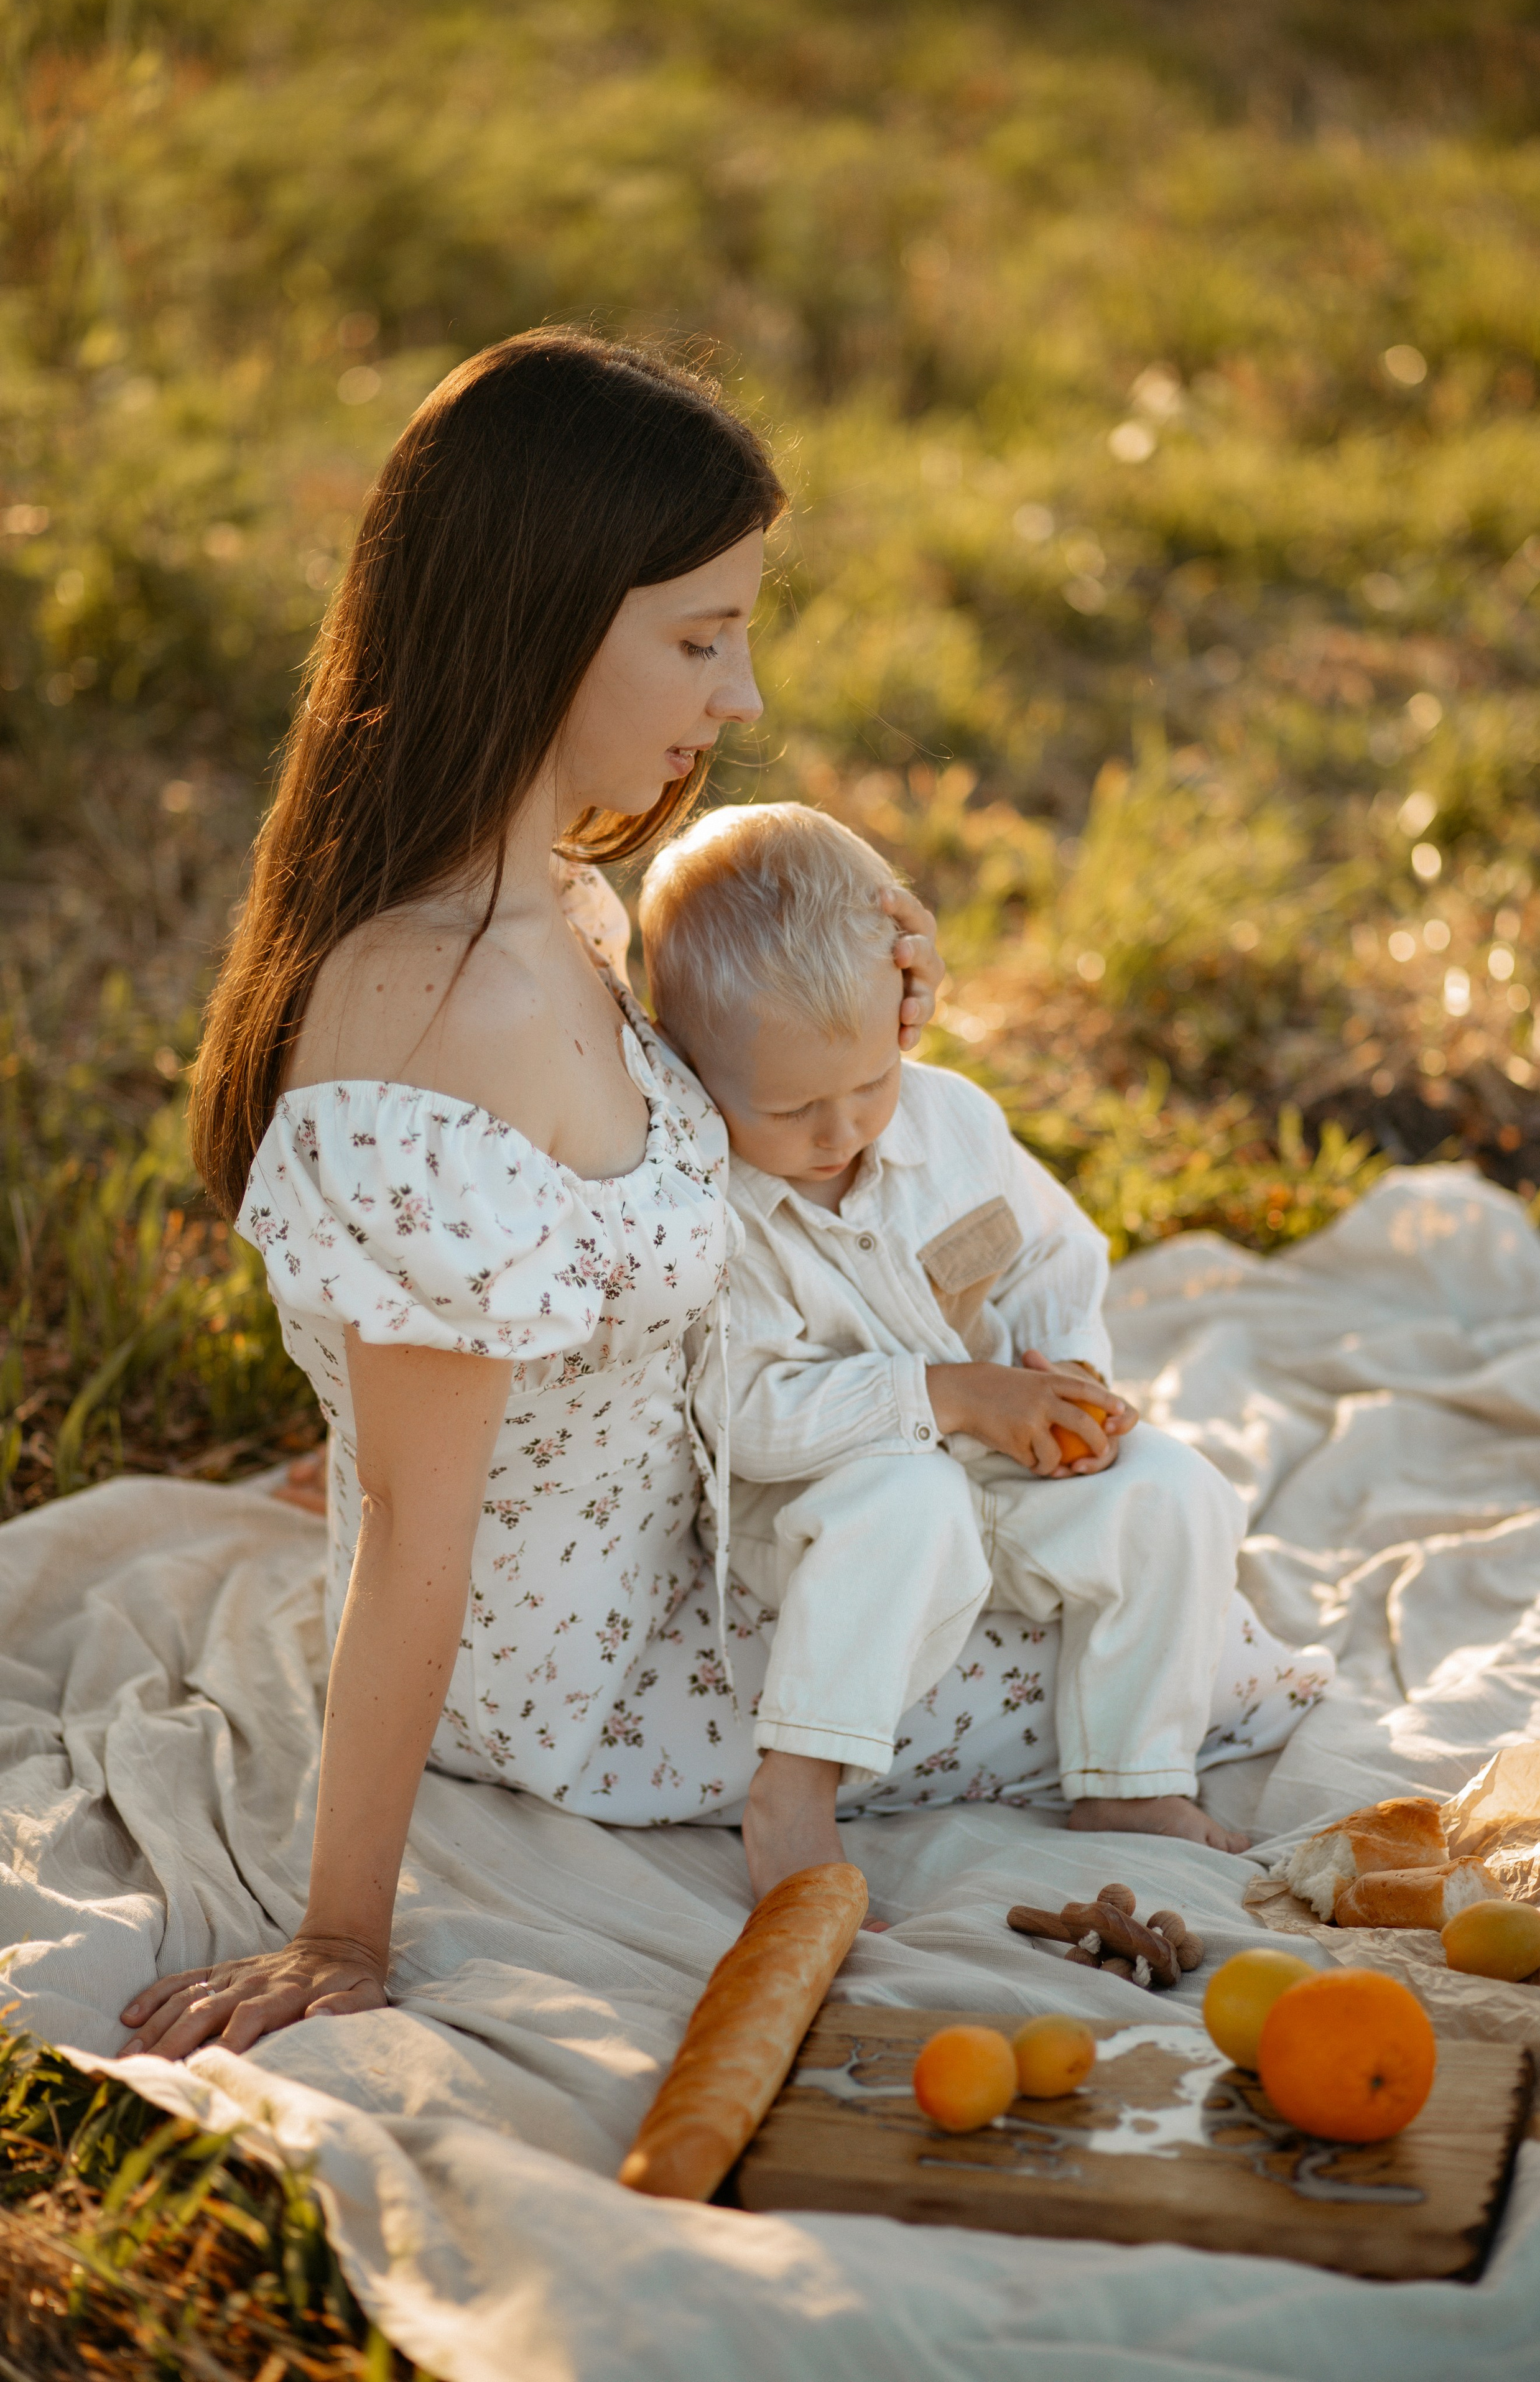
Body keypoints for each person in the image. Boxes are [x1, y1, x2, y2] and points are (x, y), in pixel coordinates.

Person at [119, 330, 1078, 2064]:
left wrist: (871, 1023)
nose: (744, 697)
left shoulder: (556, 898)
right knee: (1119, 1648)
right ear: (542, 622)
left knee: (1080, 1534)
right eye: (702, 637)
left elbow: (629, 1162)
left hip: (686, 1522)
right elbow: (421, 1534)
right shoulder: (442, 1006)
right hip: (586, 1686)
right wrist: (343, 1932)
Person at [640, 803, 1335, 1897]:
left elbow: (1054, 1258)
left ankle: (1129, 1768)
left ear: (903, 1021)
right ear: (686, 1070)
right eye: (791, 1109)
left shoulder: (951, 1125)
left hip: (998, 1453)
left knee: (1178, 1493)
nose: (841, 1132)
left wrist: (1068, 1372)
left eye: (868, 1084)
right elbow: (748, 1417)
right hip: (835, 1502)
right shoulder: (716, 1211)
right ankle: (797, 1788)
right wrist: (947, 1396)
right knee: (911, 1509)